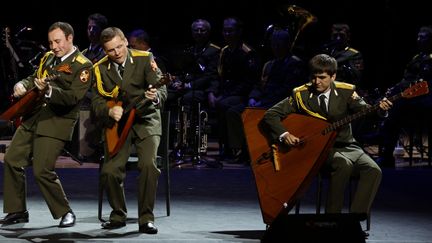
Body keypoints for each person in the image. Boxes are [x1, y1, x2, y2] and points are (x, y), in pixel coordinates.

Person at [261, 54, 392, 218]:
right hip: (320, 150)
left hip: (348, 145)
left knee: (373, 170)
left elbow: (367, 113)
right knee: (343, 164)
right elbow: (271, 114)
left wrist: (381, 110)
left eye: (322, 78)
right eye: (314, 77)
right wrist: (284, 134)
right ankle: (332, 218)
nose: (317, 82)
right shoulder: (300, 95)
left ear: (333, 76)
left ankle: (355, 218)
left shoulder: (346, 92)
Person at [0, 22, 93, 227]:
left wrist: (49, 91)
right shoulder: (48, 58)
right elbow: (35, 78)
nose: (54, 46)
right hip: (34, 117)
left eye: (58, 41)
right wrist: (23, 84)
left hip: (56, 122)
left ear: (70, 38)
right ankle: (17, 210)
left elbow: (73, 97)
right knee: (13, 159)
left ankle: (65, 211)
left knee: (42, 170)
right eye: (51, 42)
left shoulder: (83, 65)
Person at [91, 27, 167, 234]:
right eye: (110, 50)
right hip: (118, 124)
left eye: (119, 46)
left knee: (148, 165)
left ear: (126, 41)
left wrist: (156, 96)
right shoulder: (99, 69)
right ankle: (118, 215)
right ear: (104, 51)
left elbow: (161, 89)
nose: (117, 52)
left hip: (146, 120)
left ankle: (146, 218)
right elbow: (95, 103)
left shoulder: (144, 58)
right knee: (110, 171)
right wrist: (109, 110)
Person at [378, 25, 432, 167]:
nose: (419, 40)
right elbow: (406, 79)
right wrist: (395, 89)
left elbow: (425, 83)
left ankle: (387, 149)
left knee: (397, 108)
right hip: (412, 96)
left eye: (423, 37)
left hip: (426, 99)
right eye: (418, 36)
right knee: (383, 101)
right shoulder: (417, 57)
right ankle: (382, 135)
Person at [208, 17, 260, 161]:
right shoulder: (224, 51)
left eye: (230, 31)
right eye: (225, 31)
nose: (227, 34)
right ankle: (224, 146)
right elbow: (218, 75)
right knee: (217, 104)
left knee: (225, 105)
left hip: (242, 94)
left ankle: (235, 149)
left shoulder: (247, 52)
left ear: (239, 31)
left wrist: (224, 96)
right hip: (226, 94)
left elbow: (249, 82)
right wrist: (212, 92)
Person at [322, 23, 364, 88]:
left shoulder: (354, 54)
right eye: (335, 35)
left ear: (348, 37)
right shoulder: (326, 52)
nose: (338, 38)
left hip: (343, 88)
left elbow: (357, 76)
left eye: (342, 35)